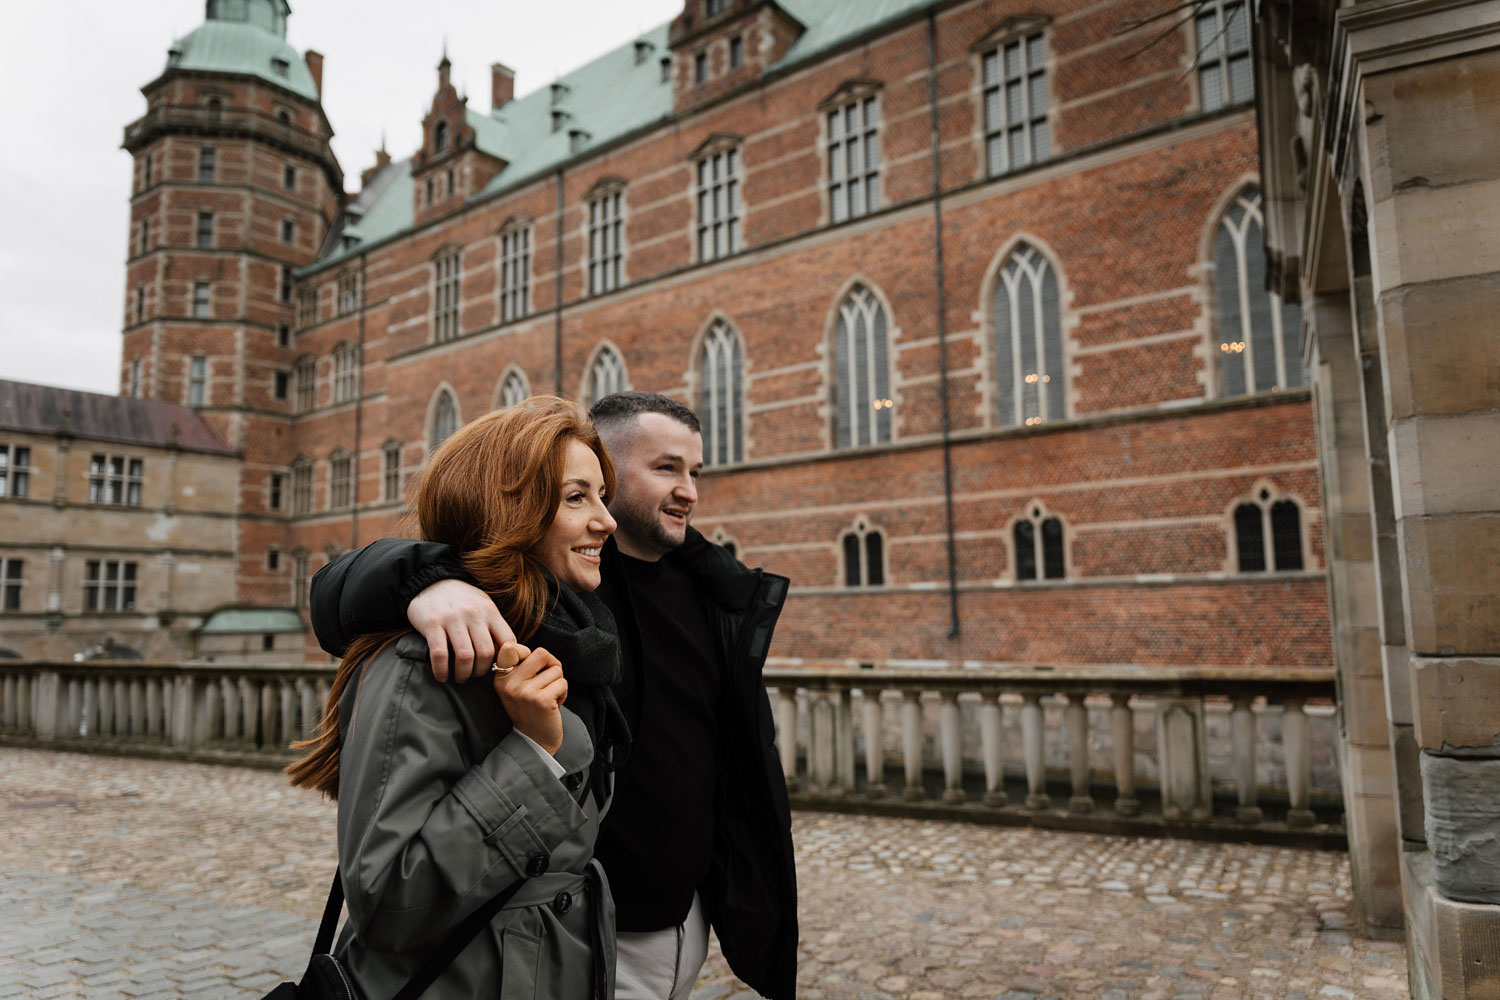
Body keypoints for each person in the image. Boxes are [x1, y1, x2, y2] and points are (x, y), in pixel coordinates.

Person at [310, 392, 797, 1000]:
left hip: (624, 934)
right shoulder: (457, 639)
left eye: (696, 471)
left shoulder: (685, 594)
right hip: (543, 951)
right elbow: (390, 903)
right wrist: (422, 584)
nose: (689, 491)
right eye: (666, 468)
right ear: (518, 505)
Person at [288, 396, 627, 999]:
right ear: (509, 508)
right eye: (577, 498)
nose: (606, 521)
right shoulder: (425, 660)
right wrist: (532, 753)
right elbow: (389, 901)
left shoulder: (576, 635)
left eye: (603, 496)